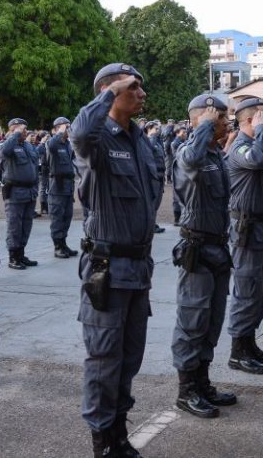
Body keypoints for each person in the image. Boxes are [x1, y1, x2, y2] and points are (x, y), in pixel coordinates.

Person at [71, 62, 160, 458]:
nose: (141, 93)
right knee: (104, 360)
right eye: (133, 87)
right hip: (107, 271)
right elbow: (79, 132)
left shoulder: (141, 140)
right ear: (110, 90)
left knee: (129, 358)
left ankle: (119, 432)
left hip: (138, 269)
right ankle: (102, 441)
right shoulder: (99, 140)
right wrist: (109, 92)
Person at [171, 94, 236, 419]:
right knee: (192, 322)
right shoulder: (188, 152)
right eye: (220, 118)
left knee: (212, 322)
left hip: (218, 248)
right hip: (196, 249)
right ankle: (186, 391)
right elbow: (192, 160)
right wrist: (204, 125)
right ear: (203, 120)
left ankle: (203, 382)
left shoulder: (217, 154)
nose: (226, 123)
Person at [226, 98, 263, 375]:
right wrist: (262, 131)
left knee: (260, 292)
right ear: (250, 120)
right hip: (247, 233)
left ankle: (249, 343)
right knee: (246, 293)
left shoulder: (258, 145)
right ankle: (237, 351)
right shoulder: (241, 148)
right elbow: (259, 159)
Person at [0, 118, 39, 270]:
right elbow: (4, 152)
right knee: (14, 226)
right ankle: (13, 257)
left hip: (30, 191)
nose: (25, 132)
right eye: (22, 129)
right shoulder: (5, 145)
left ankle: (21, 254)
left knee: (26, 225)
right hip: (15, 192)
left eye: (25, 129)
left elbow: (34, 165)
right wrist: (15, 135)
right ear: (12, 130)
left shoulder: (27, 145)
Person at [47, 117, 78, 258]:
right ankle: (57, 247)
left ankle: (64, 244)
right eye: (65, 127)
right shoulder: (54, 143)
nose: (67, 130)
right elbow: (51, 144)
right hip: (57, 187)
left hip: (68, 186)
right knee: (57, 218)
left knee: (67, 216)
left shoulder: (67, 144)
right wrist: (60, 131)